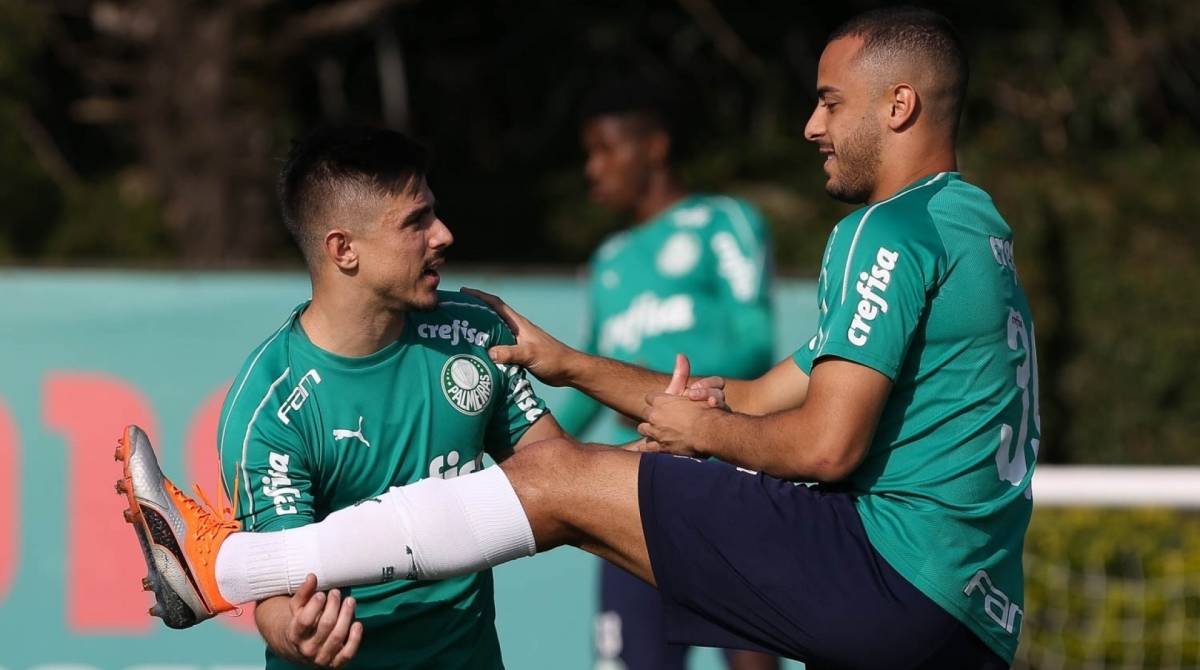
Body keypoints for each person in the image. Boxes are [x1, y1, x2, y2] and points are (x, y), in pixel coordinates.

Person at [116, 7, 1036, 669]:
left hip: (887, 575)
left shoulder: (886, 231)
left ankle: (224, 567)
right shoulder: (975, 224)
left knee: (559, 484)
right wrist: (575, 369)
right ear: (340, 249)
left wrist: (696, 440)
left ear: (901, 106)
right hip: (970, 617)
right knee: (572, 495)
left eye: (832, 102)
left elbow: (824, 447)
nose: (812, 125)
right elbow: (757, 396)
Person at [116, 126, 565, 668]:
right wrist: (296, 635)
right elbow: (278, 600)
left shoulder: (475, 332)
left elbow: (560, 481)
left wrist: (655, 451)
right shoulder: (271, 405)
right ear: (343, 249)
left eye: (434, 213)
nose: (443, 234)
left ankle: (216, 569)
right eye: (415, 221)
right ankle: (221, 569)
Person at [565, 78, 778, 670]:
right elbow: (591, 371)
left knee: (754, 656)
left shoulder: (725, 222)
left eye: (605, 150)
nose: (593, 168)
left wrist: (661, 394)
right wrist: (516, 449)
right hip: (633, 487)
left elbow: (755, 338)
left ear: (653, 146)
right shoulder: (609, 262)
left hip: (727, 470)